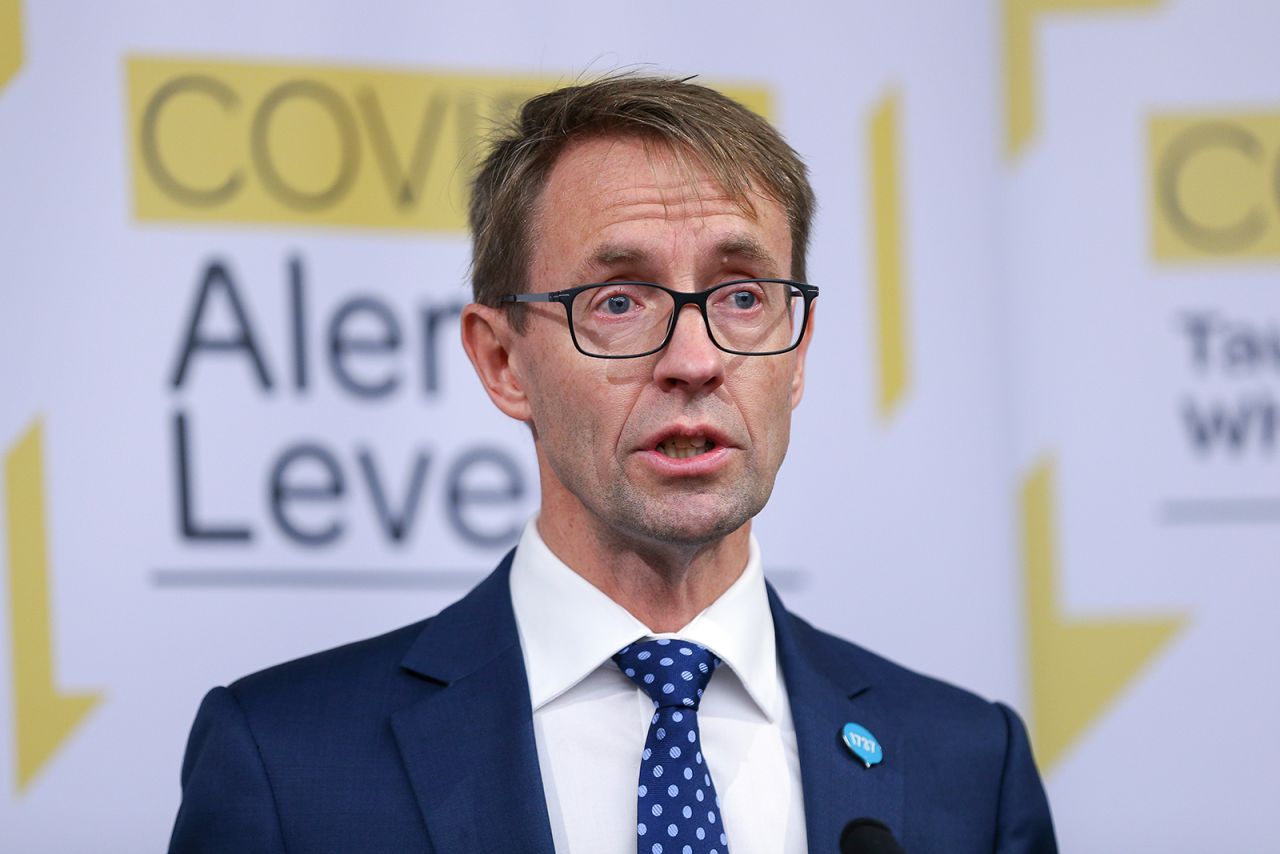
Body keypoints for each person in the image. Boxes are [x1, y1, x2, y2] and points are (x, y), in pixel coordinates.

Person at [169, 75, 1057, 854]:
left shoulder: (969, 767)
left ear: (798, 353)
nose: (695, 360)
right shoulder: (287, 763)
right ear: (503, 363)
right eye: (621, 301)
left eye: (742, 296)